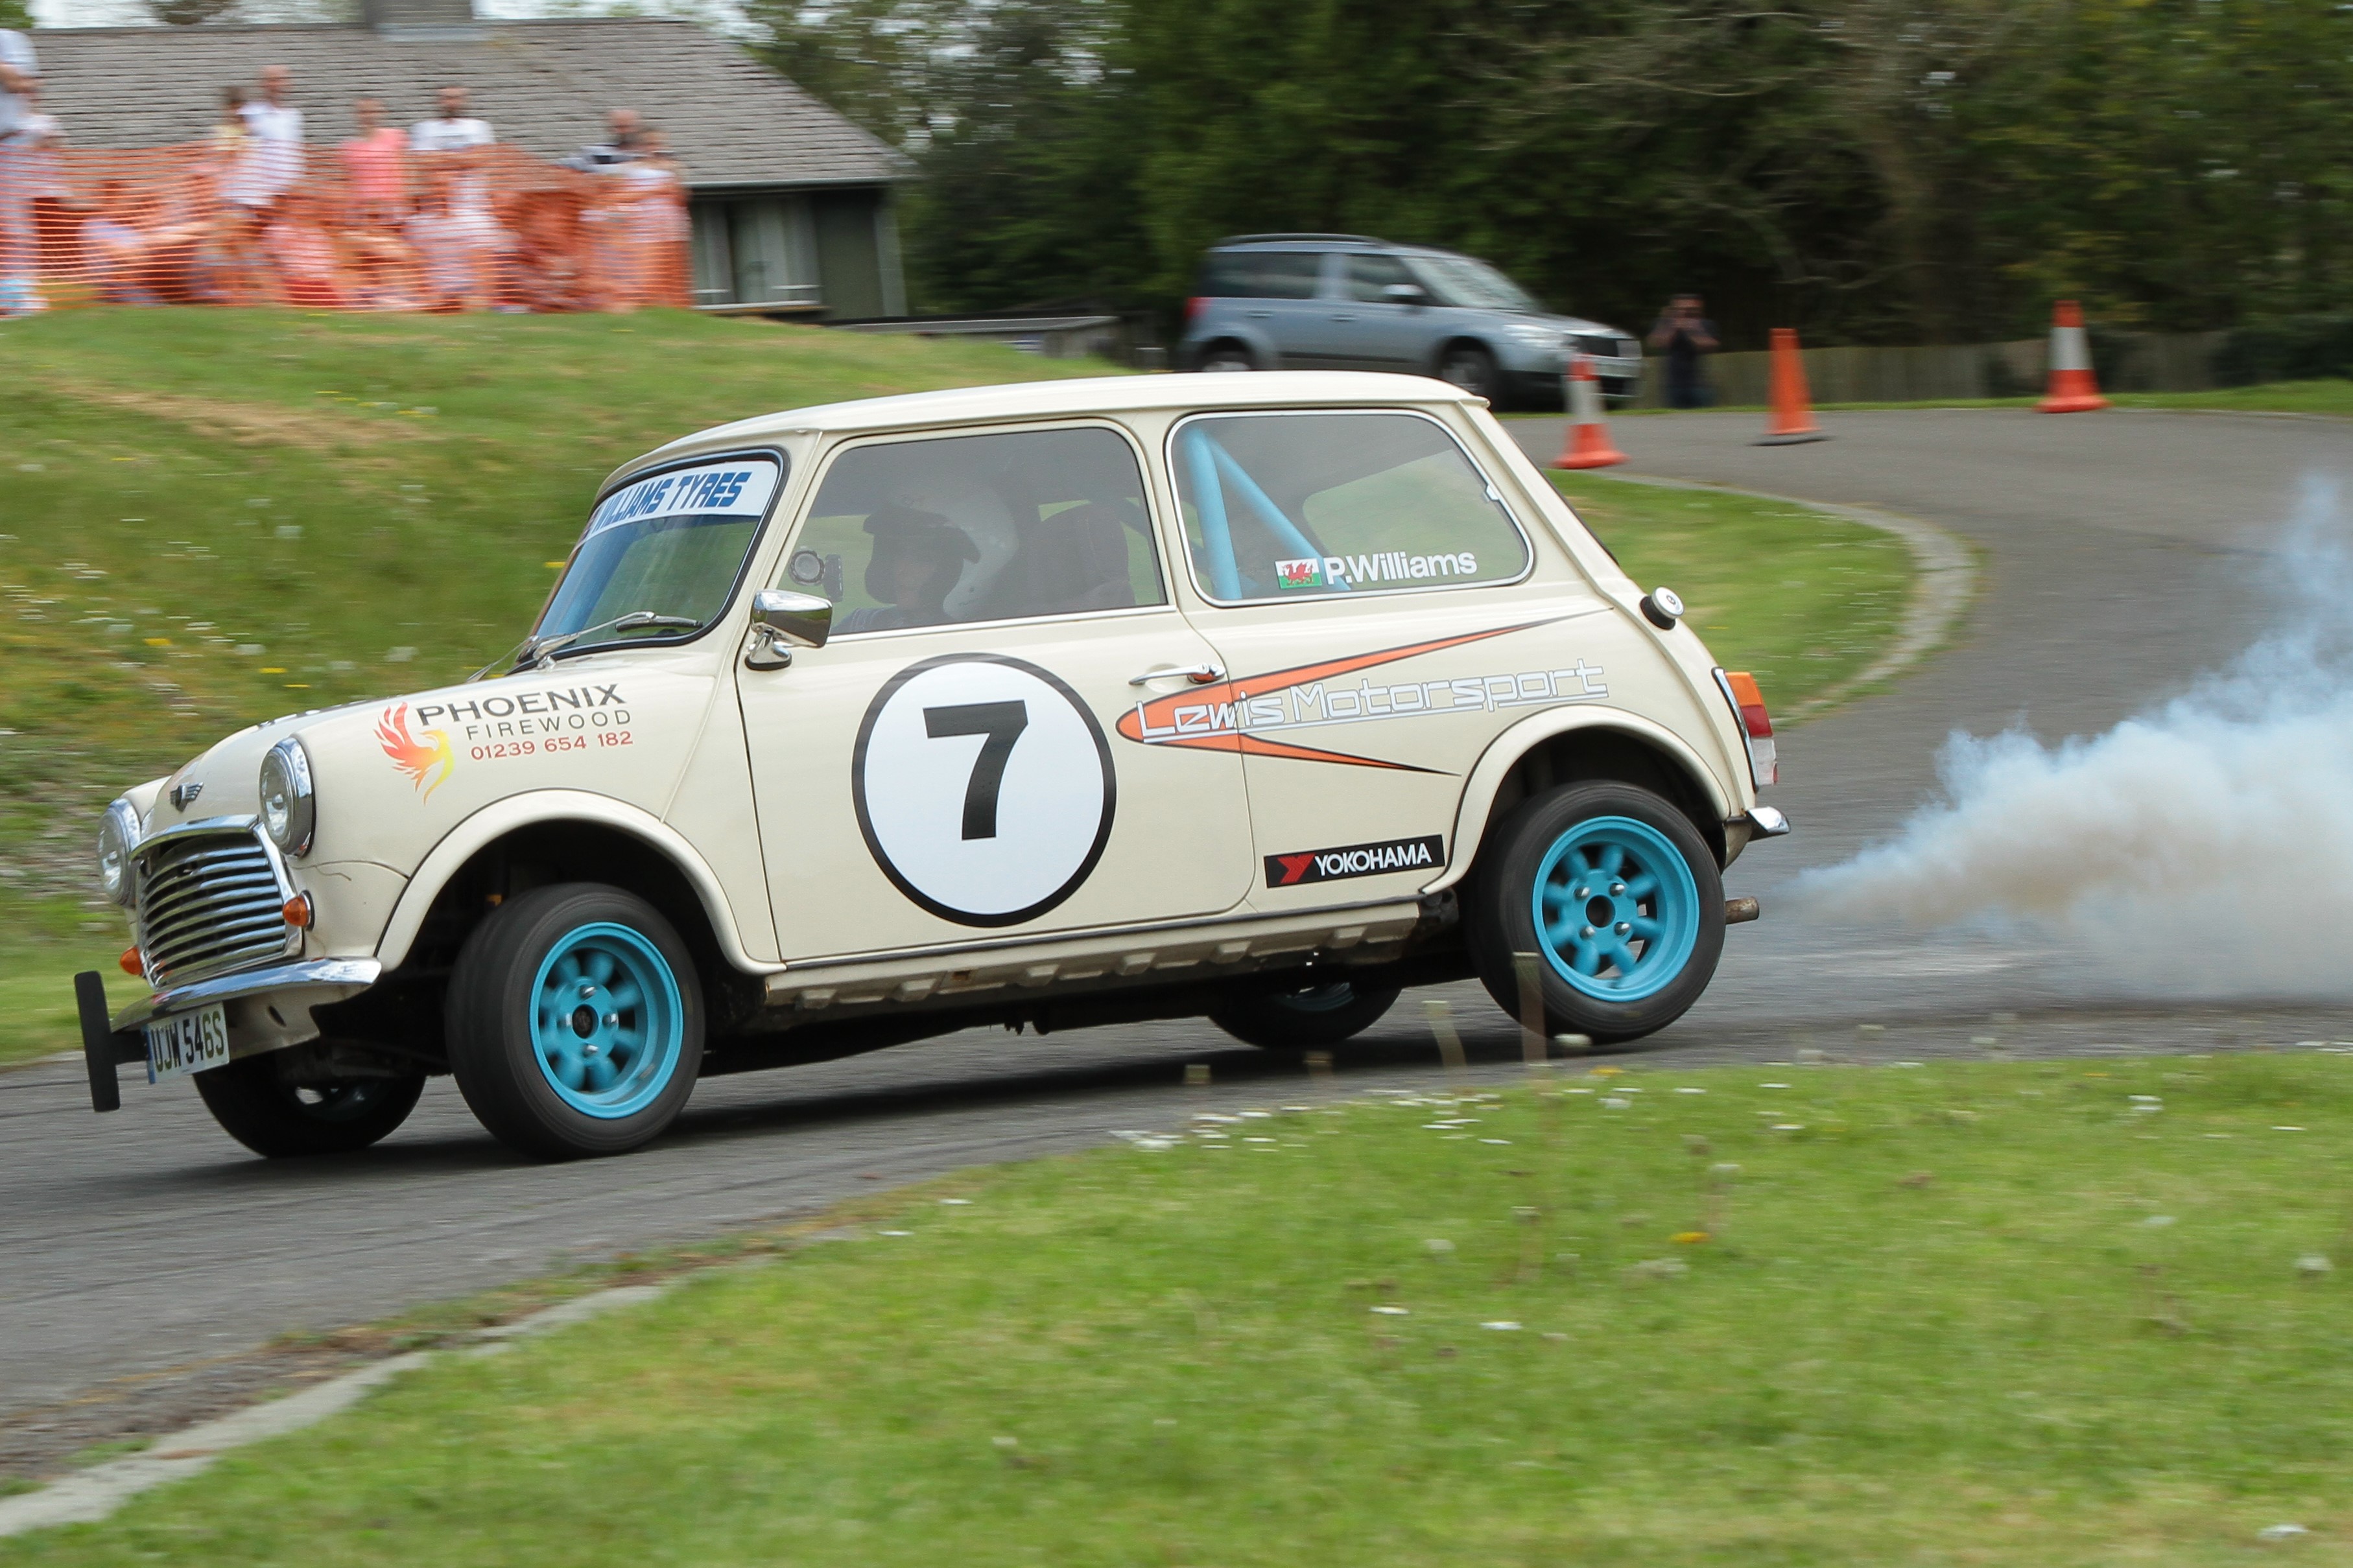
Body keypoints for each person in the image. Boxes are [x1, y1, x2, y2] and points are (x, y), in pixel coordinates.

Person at [835, 507, 980, 633]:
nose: (902, 569)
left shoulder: (963, 642)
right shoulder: (860, 624)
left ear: (949, 570)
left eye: (924, 558)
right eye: (898, 553)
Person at [0, 22, 40, 318]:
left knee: (11, 225)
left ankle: (18, 297)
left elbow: (23, 85)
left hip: (8, 145)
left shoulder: (10, 40)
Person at [236, 65, 305, 215]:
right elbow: (240, 153)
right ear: (262, 83)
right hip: (260, 196)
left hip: (287, 194)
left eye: (280, 80)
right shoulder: (250, 113)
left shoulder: (293, 116)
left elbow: (294, 153)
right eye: (271, 80)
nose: (276, 85)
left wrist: (297, 184)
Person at [339, 98, 407, 229]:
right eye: (363, 112)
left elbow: (406, 169)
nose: (368, 116)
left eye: (372, 111)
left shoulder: (395, 136)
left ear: (382, 113)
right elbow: (347, 180)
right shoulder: (349, 147)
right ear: (356, 115)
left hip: (391, 209)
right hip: (362, 211)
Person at [1647, 292, 1720, 410]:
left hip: (1699, 384)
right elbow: (1656, 343)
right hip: (1673, 385)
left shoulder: (1705, 324)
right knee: (1676, 419)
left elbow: (1710, 345)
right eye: (1680, 309)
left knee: (1704, 418)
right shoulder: (1664, 325)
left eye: (1689, 310)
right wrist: (1673, 326)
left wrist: (1691, 329)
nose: (1684, 313)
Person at [563, 108, 641, 171]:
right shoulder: (594, 151)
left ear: (637, 128)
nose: (623, 131)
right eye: (618, 127)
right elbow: (566, 166)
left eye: (627, 127)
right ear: (609, 129)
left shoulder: (643, 152)